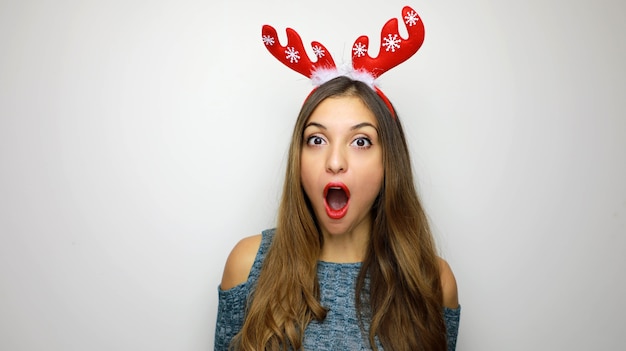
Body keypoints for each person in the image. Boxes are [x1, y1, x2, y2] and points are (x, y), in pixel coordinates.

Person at [214, 75, 460, 350]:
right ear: (298, 158)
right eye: (317, 140)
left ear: (389, 162)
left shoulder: (434, 280)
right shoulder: (247, 266)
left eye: (361, 142)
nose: (334, 162)